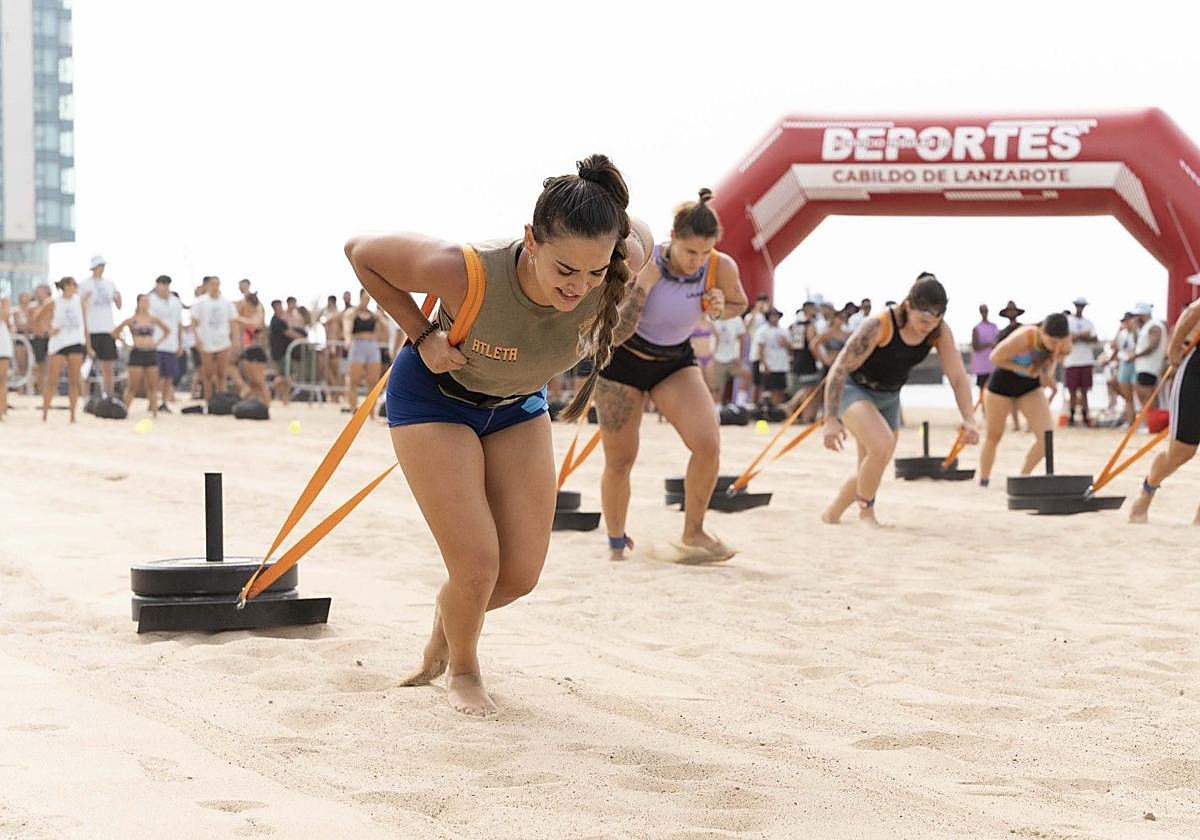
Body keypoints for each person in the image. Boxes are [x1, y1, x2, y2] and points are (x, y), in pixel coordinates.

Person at [344, 155, 649, 717]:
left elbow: (643, 239)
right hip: (436, 400)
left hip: (516, 406)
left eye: (594, 273)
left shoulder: (619, 259)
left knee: (519, 577)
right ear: (531, 239)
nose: (578, 287)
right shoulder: (464, 270)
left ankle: (447, 624)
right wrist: (420, 333)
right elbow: (360, 252)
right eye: (565, 271)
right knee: (478, 568)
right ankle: (463, 670)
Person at [594, 188, 748, 564]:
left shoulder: (720, 267)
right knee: (621, 460)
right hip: (623, 361)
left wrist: (718, 307)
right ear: (673, 238)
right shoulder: (646, 261)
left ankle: (693, 531)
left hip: (673, 362)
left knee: (708, 444)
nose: (697, 261)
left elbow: (738, 304)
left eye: (705, 252)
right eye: (690, 251)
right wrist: (643, 287)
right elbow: (619, 332)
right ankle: (617, 542)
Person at [821, 273, 978, 525]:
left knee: (873, 463)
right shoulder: (880, 324)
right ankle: (867, 514)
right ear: (909, 305)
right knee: (881, 445)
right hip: (855, 389)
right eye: (923, 318)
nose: (928, 325)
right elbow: (839, 368)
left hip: (890, 396)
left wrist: (969, 418)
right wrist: (830, 419)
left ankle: (832, 513)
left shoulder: (938, 331)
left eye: (935, 319)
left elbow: (958, 377)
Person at [977, 313, 1073, 487]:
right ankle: (984, 480)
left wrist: (1046, 372)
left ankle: (1023, 478)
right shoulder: (1026, 335)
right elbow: (994, 357)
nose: (1055, 346)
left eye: (1059, 342)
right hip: (1001, 384)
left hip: (1029, 387)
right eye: (1051, 342)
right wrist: (1022, 368)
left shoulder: (1065, 344)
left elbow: (1049, 369)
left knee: (1046, 437)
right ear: (1042, 332)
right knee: (994, 436)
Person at [1129, 298, 1200, 523]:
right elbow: (1194, 310)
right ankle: (1147, 491)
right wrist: (1174, 347)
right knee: (1181, 452)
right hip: (1196, 375)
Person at [112, 294, 171, 417]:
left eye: (147, 301)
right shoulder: (132, 320)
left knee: (152, 386)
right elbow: (115, 332)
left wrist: (157, 343)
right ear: (138, 303)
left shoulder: (153, 319)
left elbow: (167, 330)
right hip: (137, 353)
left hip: (151, 352)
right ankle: (124, 411)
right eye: (143, 301)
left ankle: (154, 413)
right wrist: (126, 344)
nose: (145, 304)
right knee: (132, 386)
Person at [41, 277, 87, 422]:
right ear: (66, 286)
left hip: (75, 341)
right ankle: (45, 414)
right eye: (73, 284)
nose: (75, 287)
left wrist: (89, 345)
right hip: (58, 343)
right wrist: (48, 330)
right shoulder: (55, 302)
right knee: (52, 380)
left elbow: (85, 324)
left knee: (74, 381)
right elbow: (38, 318)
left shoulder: (79, 301)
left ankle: (73, 416)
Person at [80, 255, 122, 397]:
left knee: (108, 367)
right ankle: (85, 398)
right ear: (93, 267)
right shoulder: (84, 284)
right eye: (99, 266)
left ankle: (108, 396)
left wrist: (118, 298)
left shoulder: (110, 284)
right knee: (86, 366)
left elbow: (119, 305)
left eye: (103, 266)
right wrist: (84, 299)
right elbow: (79, 306)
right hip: (90, 330)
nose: (101, 268)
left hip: (107, 329)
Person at [192, 276, 237, 401]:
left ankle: (222, 399)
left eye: (217, 284)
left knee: (222, 374)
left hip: (223, 341)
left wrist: (234, 341)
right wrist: (197, 339)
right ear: (207, 286)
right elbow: (194, 323)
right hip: (207, 342)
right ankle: (208, 400)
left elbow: (233, 323)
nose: (215, 286)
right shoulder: (200, 302)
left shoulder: (227, 303)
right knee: (207, 374)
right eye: (212, 284)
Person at [342, 290, 383, 412]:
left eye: (369, 298)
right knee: (354, 380)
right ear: (360, 297)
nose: (367, 300)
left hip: (372, 346)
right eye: (365, 298)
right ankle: (353, 409)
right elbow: (347, 326)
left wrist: (380, 314)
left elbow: (385, 326)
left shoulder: (373, 314)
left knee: (373, 382)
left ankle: (370, 412)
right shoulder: (352, 313)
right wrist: (347, 339)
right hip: (357, 346)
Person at [149, 275, 185, 411]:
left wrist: (180, 343)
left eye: (166, 284)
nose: (163, 286)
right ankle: (152, 402)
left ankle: (164, 402)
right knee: (154, 376)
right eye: (161, 283)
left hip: (171, 344)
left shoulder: (175, 301)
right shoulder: (150, 299)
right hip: (155, 343)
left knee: (169, 375)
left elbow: (179, 323)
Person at [1064, 297, 1097, 426]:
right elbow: (1066, 338)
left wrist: (1079, 337)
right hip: (1071, 361)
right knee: (1071, 391)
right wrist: (1081, 336)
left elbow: (1094, 338)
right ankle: (1071, 416)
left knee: (1084, 391)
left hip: (1086, 360)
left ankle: (1085, 416)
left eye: (1082, 306)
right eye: (1078, 305)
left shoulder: (1089, 323)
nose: (1080, 308)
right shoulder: (1068, 321)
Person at [1130, 302, 1166, 422]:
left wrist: (1136, 355)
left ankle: (1153, 422)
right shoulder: (1147, 327)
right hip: (1144, 367)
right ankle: (1150, 422)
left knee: (1149, 396)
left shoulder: (1154, 325)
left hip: (1150, 367)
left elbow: (1153, 345)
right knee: (1144, 396)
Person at [268, 299, 306, 404]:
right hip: (280, 353)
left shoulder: (278, 320)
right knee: (289, 375)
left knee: (284, 375)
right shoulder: (277, 321)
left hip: (282, 352)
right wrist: (303, 338)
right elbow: (289, 333)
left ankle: (285, 398)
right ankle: (271, 388)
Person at [236, 291, 271, 404]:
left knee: (260, 382)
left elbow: (255, 324)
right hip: (247, 350)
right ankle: (258, 402)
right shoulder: (244, 315)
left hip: (256, 351)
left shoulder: (257, 313)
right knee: (253, 383)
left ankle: (266, 405)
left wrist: (238, 319)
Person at [708, 313, 747, 404]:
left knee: (746, 375)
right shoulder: (711, 317)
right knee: (717, 389)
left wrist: (739, 357)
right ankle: (717, 412)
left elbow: (741, 338)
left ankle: (740, 404)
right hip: (716, 359)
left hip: (732, 358)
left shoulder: (736, 319)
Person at [754, 308, 790, 407]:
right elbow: (760, 349)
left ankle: (777, 409)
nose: (775, 318)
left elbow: (790, 347)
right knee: (768, 389)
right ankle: (767, 409)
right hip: (770, 364)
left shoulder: (784, 331)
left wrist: (786, 344)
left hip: (781, 364)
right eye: (772, 315)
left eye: (777, 316)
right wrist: (763, 363)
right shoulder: (763, 331)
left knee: (780, 389)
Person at [970, 304, 998, 399]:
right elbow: (975, 346)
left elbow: (998, 343)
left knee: (993, 388)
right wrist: (989, 344)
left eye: (985, 311)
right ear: (980, 312)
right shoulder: (976, 328)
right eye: (983, 311)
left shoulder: (994, 326)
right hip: (981, 365)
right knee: (982, 389)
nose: (984, 313)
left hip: (992, 364)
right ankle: (984, 410)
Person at [0, 295, 12, 418]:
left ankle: (2, 410)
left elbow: (5, 319)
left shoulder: (4, 302)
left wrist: (5, 306)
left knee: (2, 380)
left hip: (2, 345)